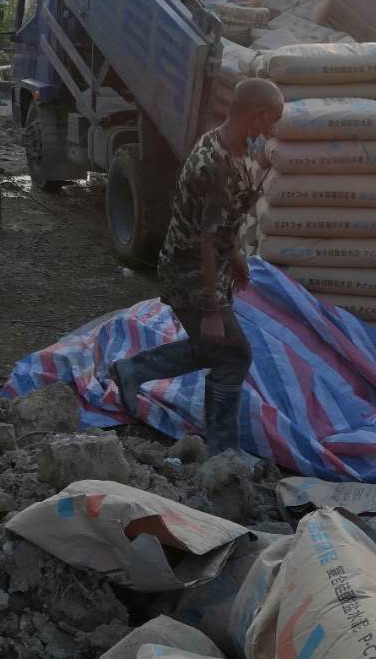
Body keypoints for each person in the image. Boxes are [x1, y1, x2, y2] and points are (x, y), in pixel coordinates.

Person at [110, 78, 284, 454]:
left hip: (207, 269)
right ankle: (222, 451)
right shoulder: (218, 162)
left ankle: (134, 372)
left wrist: (234, 255)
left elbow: (221, 222)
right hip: (190, 273)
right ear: (256, 116)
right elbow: (206, 239)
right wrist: (209, 308)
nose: (272, 132)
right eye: (271, 122)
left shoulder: (227, 146)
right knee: (235, 353)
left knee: (217, 350)